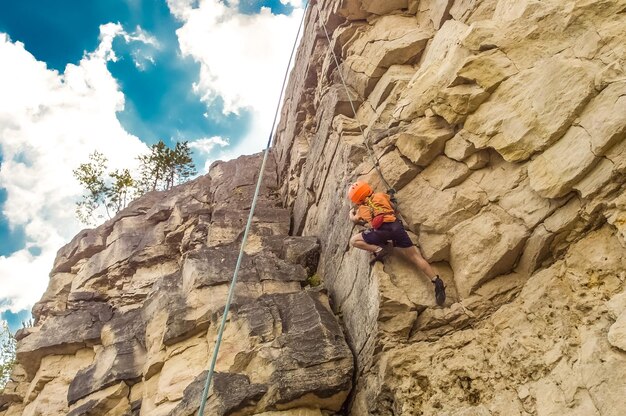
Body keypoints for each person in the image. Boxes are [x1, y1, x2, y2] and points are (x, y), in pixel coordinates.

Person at [347, 181, 446, 306]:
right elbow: (393, 206)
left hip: (381, 232)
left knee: (354, 241)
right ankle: (436, 281)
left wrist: (351, 213)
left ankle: (378, 249)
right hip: (396, 228)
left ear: (357, 200)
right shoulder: (381, 195)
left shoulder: (361, 210)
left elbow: (354, 220)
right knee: (415, 257)